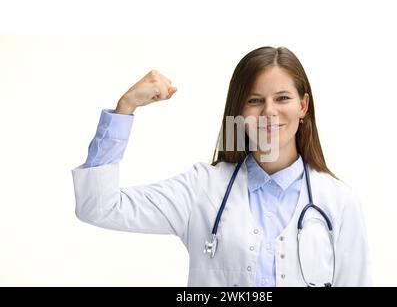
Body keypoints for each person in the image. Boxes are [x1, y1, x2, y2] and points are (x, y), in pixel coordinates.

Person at [72, 46, 372, 287]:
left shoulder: (339, 203)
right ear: (239, 111)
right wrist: (125, 107)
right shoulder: (201, 189)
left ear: (303, 106)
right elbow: (98, 207)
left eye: (282, 98)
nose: (269, 112)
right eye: (255, 101)